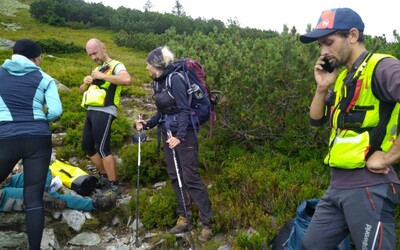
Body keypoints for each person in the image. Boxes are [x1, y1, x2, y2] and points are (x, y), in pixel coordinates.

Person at [299, 8, 400, 249]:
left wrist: (389, 156)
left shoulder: (382, 66)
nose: (323, 51)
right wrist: (322, 88)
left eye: (329, 42)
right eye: (320, 45)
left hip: (368, 187)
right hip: (337, 186)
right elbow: (316, 121)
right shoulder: (344, 77)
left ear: (352, 35)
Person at [136, 46, 214, 242]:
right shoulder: (159, 82)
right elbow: (162, 111)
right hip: (168, 132)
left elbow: (184, 110)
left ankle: (207, 224)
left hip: (184, 135)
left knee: (190, 177)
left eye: (148, 64)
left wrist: (179, 136)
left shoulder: (175, 79)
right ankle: (184, 217)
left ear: (157, 64)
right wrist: (148, 124)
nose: (146, 67)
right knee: (174, 176)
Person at [0, 39, 63, 250]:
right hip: (38, 138)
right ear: (35, 57)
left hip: (6, 137)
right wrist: (38, 119)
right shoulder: (45, 78)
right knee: (34, 198)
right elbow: (55, 111)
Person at [79, 38, 131, 197]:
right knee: (87, 145)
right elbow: (81, 91)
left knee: (102, 148)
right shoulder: (96, 68)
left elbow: (126, 80)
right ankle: (104, 177)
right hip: (91, 110)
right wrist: (86, 83)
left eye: (95, 53)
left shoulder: (116, 65)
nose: (93, 57)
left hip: (106, 110)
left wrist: (102, 77)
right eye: (90, 55)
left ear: (104, 48)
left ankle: (114, 185)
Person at [0, 169, 117, 212]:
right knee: (37, 194)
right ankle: (94, 205)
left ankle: (42, 196)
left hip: (5, 180)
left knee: (42, 169)